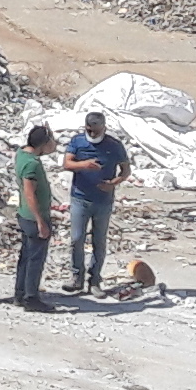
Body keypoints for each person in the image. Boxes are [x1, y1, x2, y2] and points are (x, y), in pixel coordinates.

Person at [63, 106, 131, 293]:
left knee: (99, 241)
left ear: (104, 128)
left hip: (103, 201)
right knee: (77, 239)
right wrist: (84, 165)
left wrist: (113, 183)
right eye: (89, 130)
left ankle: (95, 281)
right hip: (80, 198)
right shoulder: (77, 142)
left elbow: (126, 171)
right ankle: (77, 276)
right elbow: (67, 164)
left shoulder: (114, 146)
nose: (92, 133)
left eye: (95, 130)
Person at [8, 123, 61, 310]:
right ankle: (31, 298)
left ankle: (20, 294)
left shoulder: (22, 154)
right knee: (35, 259)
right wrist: (40, 221)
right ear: (43, 144)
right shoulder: (31, 164)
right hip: (33, 218)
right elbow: (30, 193)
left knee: (26, 256)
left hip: (25, 214)